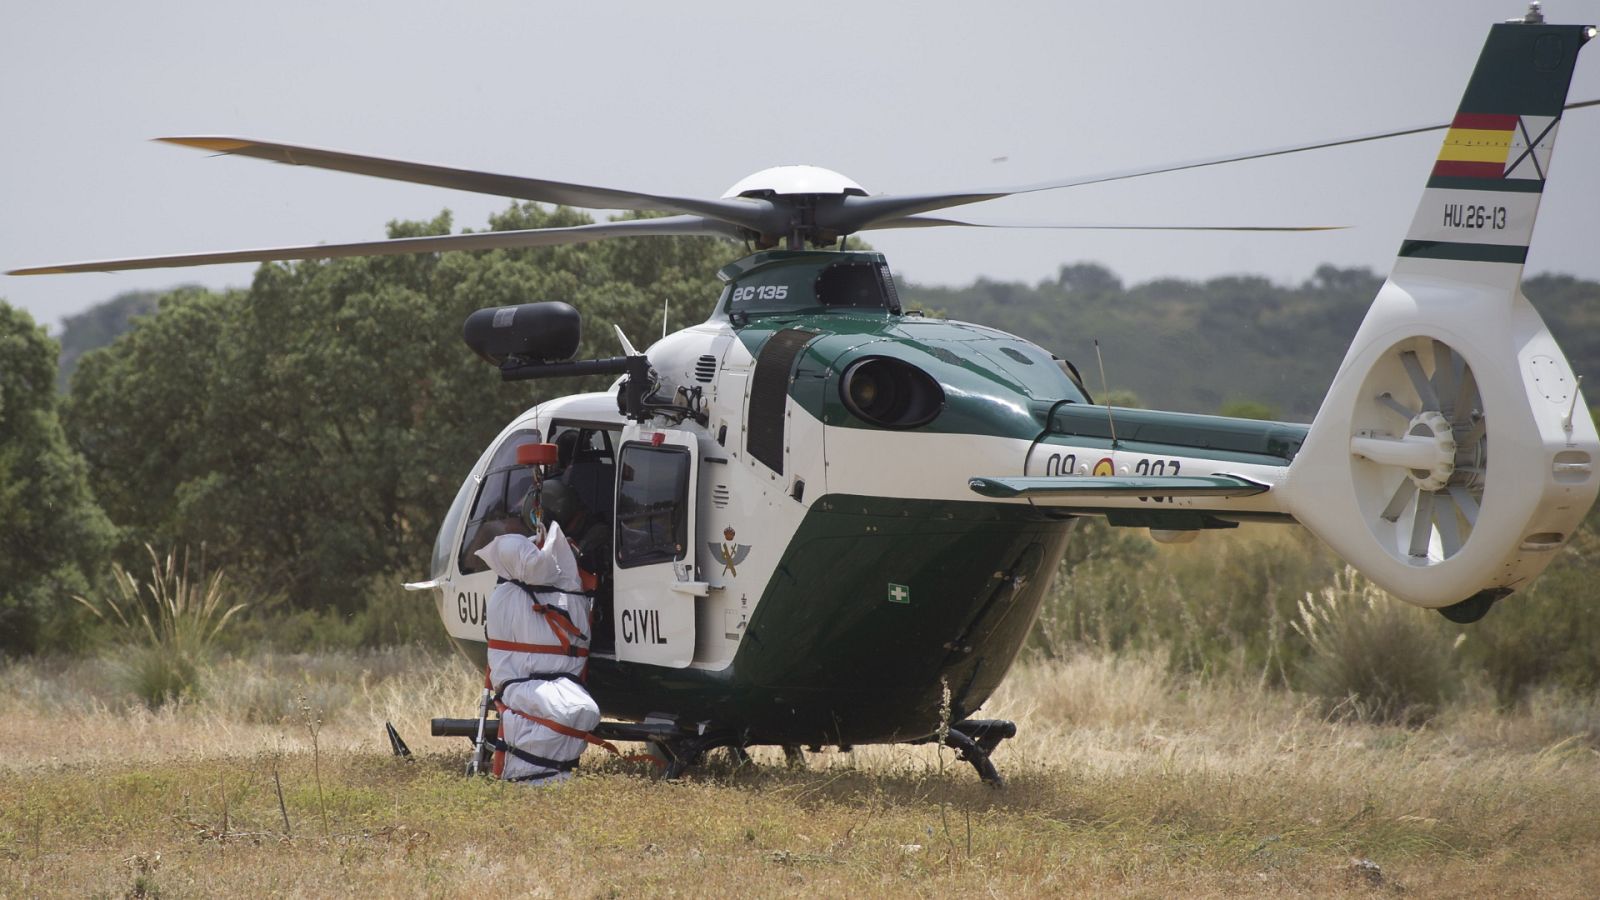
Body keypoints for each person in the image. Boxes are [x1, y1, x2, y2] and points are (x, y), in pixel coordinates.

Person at [476, 489, 599, 784]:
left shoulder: (507, 587)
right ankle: (537, 775)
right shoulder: (570, 578)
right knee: (580, 710)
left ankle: (537, 774)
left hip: (534, 682)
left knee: (579, 710)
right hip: (538, 683)